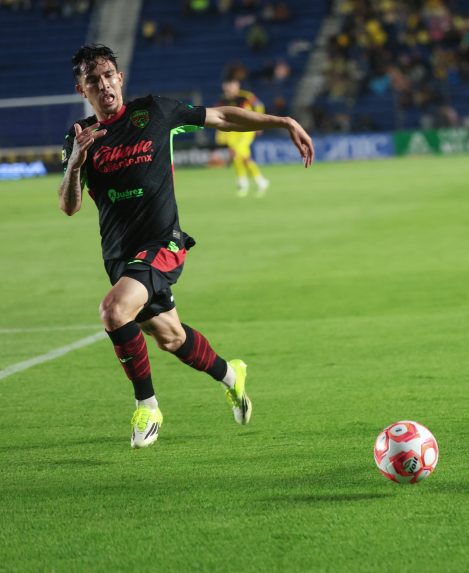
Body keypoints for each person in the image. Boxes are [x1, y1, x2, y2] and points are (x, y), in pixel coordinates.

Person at [58, 44, 314, 448]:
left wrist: (282, 121)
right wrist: (74, 164)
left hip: (163, 243)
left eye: (109, 75)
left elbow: (223, 117)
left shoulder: (155, 112)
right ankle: (232, 375)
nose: (104, 85)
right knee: (171, 338)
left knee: (113, 309)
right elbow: (69, 206)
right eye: (94, 80)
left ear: (120, 78)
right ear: (81, 89)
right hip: (120, 256)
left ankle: (148, 407)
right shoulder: (80, 138)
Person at [216, 74, 271, 197]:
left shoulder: (245, 96)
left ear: (237, 86)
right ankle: (247, 183)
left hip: (246, 129)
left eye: (233, 85)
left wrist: (259, 121)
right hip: (232, 131)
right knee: (237, 156)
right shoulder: (223, 100)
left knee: (240, 153)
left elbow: (259, 105)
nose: (230, 88)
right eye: (228, 85)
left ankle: (256, 181)